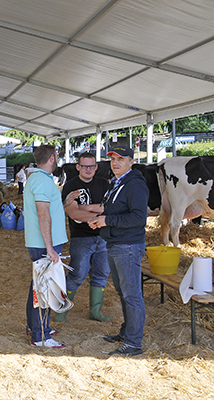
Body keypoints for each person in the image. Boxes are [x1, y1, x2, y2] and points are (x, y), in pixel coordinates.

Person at [88, 145, 148, 356]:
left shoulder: (135, 184)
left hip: (128, 245)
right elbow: (114, 210)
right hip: (116, 243)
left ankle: (133, 343)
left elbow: (139, 218)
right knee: (124, 293)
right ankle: (127, 332)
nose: (115, 162)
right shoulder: (118, 182)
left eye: (121, 159)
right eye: (112, 158)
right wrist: (101, 221)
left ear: (131, 161)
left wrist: (107, 220)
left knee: (131, 294)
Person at [53, 152, 110, 323]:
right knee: (77, 274)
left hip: (103, 237)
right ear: (78, 167)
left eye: (91, 166)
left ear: (96, 167)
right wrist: (98, 212)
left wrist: (87, 208)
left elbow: (108, 208)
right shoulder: (71, 186)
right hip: (81, 238)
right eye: (84, 166)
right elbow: (73, 212)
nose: (88, 169)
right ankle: (62, 311)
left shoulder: (104, 184)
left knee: (101, 274)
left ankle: (96, 311)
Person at [23, 144, 68, 349]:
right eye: (56, 156)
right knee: (44, 287)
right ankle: (40, 334)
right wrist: (50, 247)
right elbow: (43, 214)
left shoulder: (39, 178)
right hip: (44, 244)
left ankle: (36, 327)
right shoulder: (41, 180)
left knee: (38, 284)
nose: (57, 159)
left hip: (42, 242)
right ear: (51, 158)